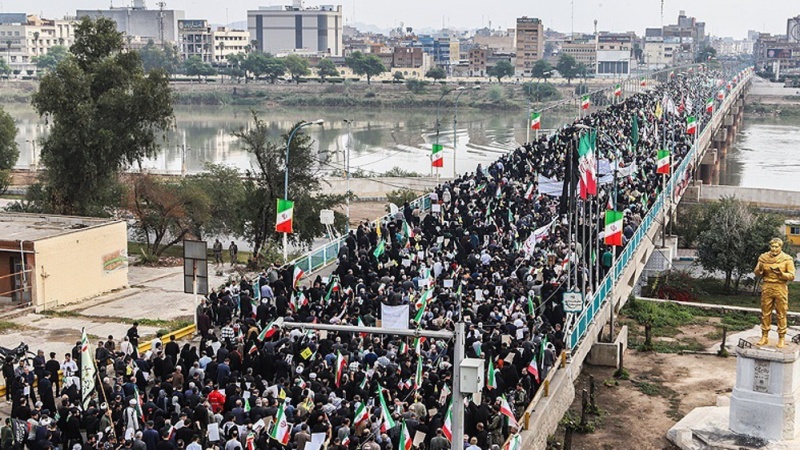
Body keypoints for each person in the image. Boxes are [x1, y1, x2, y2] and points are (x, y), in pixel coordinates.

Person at [754, 238, 796, 347]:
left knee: (781, 313)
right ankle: (764, 336)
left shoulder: (787, 259)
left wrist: (781, 274)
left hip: (780, 287)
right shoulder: (763, 257)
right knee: (765, 313)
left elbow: (792, 276)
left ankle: (781, 337)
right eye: (772, 246)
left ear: (780, 247)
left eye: (776, 247)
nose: (774, 249)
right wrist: (760, 269)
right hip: (767, 286)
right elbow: (757, 272)